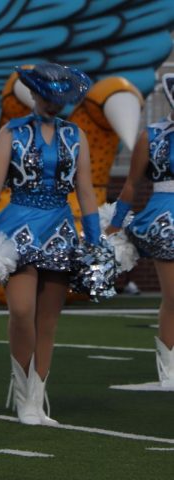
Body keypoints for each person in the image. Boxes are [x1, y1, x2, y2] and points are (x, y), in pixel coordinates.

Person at [0, 64, 100, 424]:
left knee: (48, 322)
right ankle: (20, 394)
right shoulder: (10, 133)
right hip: (17, 228)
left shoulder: (76, 135)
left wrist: (94, 241)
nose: (53, 104)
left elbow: (86, 191)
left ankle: (36, 400)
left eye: (60, 98)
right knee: (20, 311)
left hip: (61, 229)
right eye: (47, 96)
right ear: (32, 94)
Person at [107, 73, 174, 388]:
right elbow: (132, 183)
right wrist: (116, 222)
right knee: (173, 297)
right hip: (165, 217)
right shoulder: (152, 135)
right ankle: (169, 368)